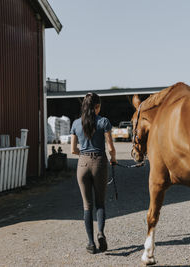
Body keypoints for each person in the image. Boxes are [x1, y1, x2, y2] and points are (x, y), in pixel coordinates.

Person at [70, 92, 117, 254]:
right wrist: (113, 159)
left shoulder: (76, 123)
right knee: (100, 203)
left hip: (82, 164)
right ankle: (100, 233)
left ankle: (90, 243)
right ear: (97, 107)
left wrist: (83, 153)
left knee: (87, 205)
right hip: (99, 163)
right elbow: (110, 148)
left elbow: (72, 150)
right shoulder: (104, 122)